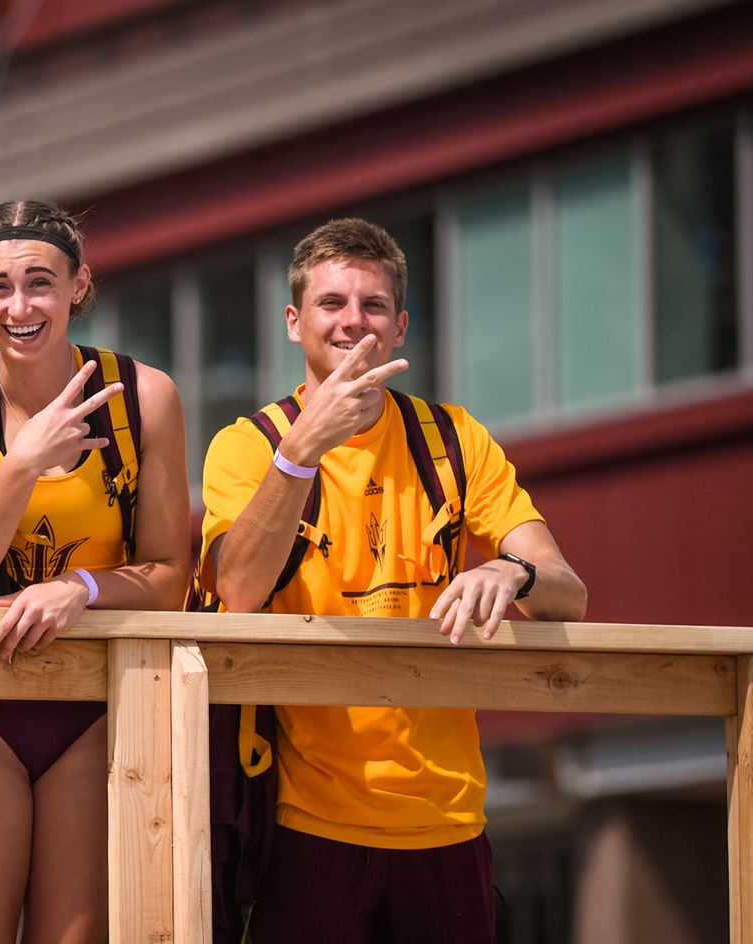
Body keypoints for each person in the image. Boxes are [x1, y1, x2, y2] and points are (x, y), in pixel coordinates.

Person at [199, 218, 587, 941]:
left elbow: (570, 592)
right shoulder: (246, 445)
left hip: (449, 819)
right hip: (303, 822)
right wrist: (301, 451)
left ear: (401, 324)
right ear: (294, 322)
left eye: (373, 305)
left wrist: (512, 568)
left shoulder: (453, 438)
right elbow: (238, 590)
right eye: (331, 303)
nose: (354, 321)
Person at [0, 200, 190, 943]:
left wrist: (80, 588)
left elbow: (170, 575)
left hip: (94, 704)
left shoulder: (143, 397)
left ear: (78, 284)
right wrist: (22, 464)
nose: (19, 306)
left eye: (40, 283)